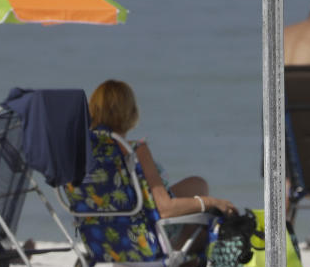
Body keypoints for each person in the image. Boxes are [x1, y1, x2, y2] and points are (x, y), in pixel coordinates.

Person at [87, 79, 236, 219]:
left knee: (197, 184)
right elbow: (164, 208)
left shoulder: (82, 152)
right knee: (209, 218)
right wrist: (211, 202)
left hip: (103, 237)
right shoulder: (136, 151)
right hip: (145, 235)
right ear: (131, 113)